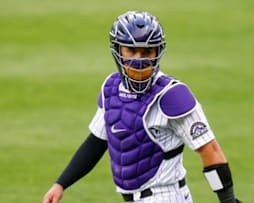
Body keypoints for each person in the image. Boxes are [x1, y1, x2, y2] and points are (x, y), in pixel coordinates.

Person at [43, 11, 242, 203]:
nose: (139, 60)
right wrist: (61, 184)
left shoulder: (173, 96)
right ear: (118, 51)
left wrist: (229, 201)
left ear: (158, 52)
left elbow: (210, 150)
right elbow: (96, 141)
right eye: (131, 50)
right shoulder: (111, 88)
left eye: (147, 51)